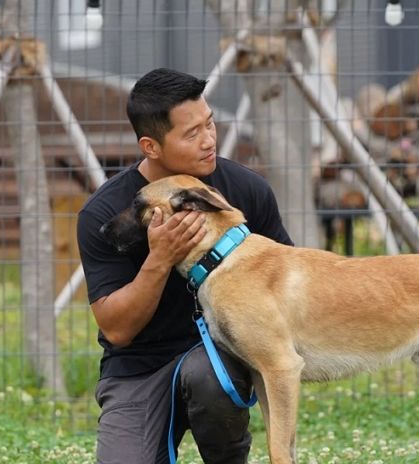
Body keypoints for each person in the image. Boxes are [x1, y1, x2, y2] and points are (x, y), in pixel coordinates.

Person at [76, 67, 293, 464]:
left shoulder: (247, 191)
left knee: (209, 377)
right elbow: (117, 329)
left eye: (209, 125)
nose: (209, 141)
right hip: (139, 368)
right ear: (151, 146)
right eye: (192, 134)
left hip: (219, 354)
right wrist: (160, 258)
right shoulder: (104, 213)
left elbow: (286, 292)